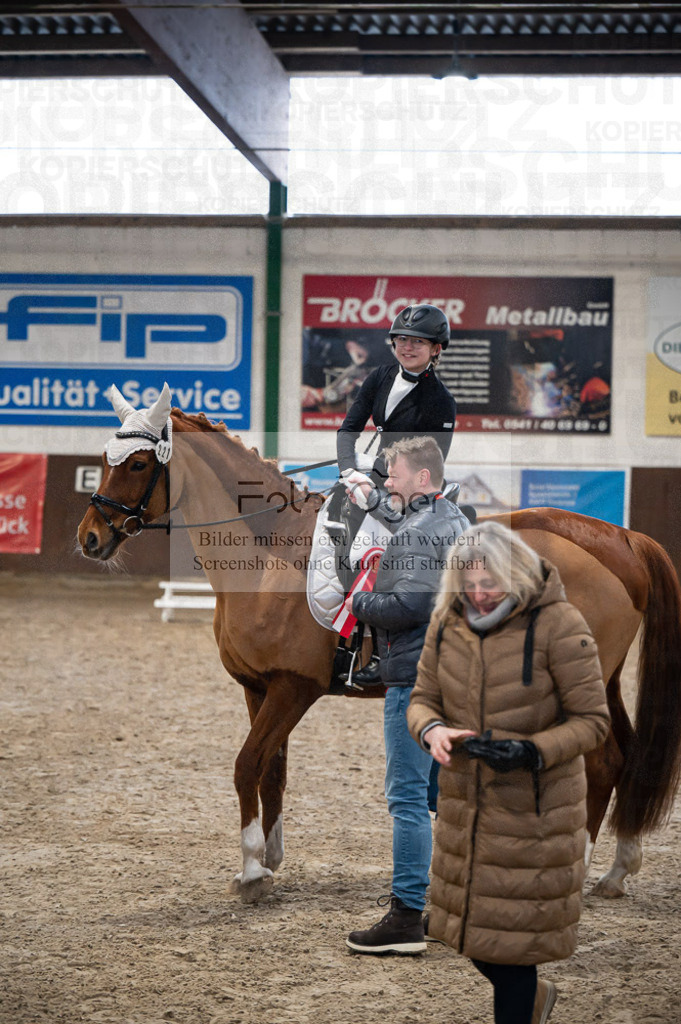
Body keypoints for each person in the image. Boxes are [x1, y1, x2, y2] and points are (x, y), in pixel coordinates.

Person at [406, 521, 610, 1024]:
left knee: (512, 951)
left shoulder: (561, 625)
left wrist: (532, 751)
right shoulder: (446, 623)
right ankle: (536, 998)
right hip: (464, 812)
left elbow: (594, 722)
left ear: (514, 573)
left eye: (489, 583)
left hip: (533, 816)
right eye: (468, 583)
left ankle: (526, 1003)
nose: (478, 595)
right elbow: (421, 699)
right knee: (468, 935)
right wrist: (430, 729)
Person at [343, 436, 469, 956]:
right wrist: (372, 504)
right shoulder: (451, 518)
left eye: (391, 476)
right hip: (450, 673)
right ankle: (457, 900)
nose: (385, 483)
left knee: (408, 800)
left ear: (421, 479)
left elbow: (410, 602)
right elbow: (414, 533)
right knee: (442, 795)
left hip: (413, 679)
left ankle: (405, 917)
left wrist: (362, 596)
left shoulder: (421, 531)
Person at [336, 303, 457, 684]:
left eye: (417, 342)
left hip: (410, 488)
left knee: (389, 559)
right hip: (370, 474)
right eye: (402, 339)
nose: (407, 347)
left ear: (436, 348)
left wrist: (378, 495)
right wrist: (348, 472)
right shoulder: (380, 375)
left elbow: (425, 464)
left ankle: (377, 655)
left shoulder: (441, 401)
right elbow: (349, 428)